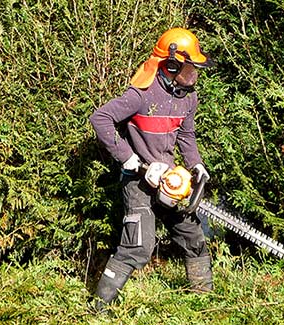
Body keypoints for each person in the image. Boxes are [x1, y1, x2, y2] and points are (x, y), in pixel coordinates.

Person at [89, 27, 214, 310]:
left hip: (169, 179)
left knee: (193, 237)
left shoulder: (189, 97)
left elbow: (186, 136)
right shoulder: (141, 95)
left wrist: (196, 165)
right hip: (138, 182)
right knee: (137, 248)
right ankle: (97, 309)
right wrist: (128, 158)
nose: (194, 74)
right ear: (171, 65)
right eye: (190, 67)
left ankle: (205, 303)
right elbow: (101, 119)